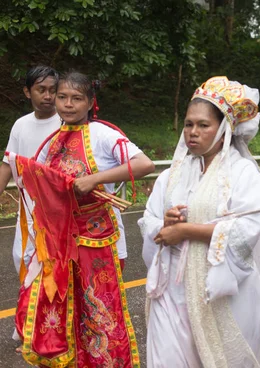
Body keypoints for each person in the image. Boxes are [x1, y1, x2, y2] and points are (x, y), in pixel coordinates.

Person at [138, 76, 260, 367]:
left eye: (203, 125)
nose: (192, 133)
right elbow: (149, 218)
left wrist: (185, 230)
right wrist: (164, 224)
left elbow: (245, 231)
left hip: (219, 289)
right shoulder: (171, 175)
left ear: (224, 129)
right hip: (171, 288)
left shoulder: (242, 172)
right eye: (188, 124)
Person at [13, 71, 154, 367]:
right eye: (62, 97)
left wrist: (94, 180)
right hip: (60, 243)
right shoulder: (51, 140)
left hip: (95, 240)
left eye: (76, 98)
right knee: (64, 310)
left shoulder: (103, 134)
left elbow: (143, 164)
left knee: (99, 309)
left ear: (90, 102)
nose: (67, 104)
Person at [0, 66, 61, 276]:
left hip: (60, 211)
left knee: (55, 271)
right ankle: (30, 309)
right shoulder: (20, 125)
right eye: (41, 89)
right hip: (28, 210)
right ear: (27, 92)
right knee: (23, 262)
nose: (48, 96)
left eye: (53, 90)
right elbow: (8, 164)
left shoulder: (66, 122)